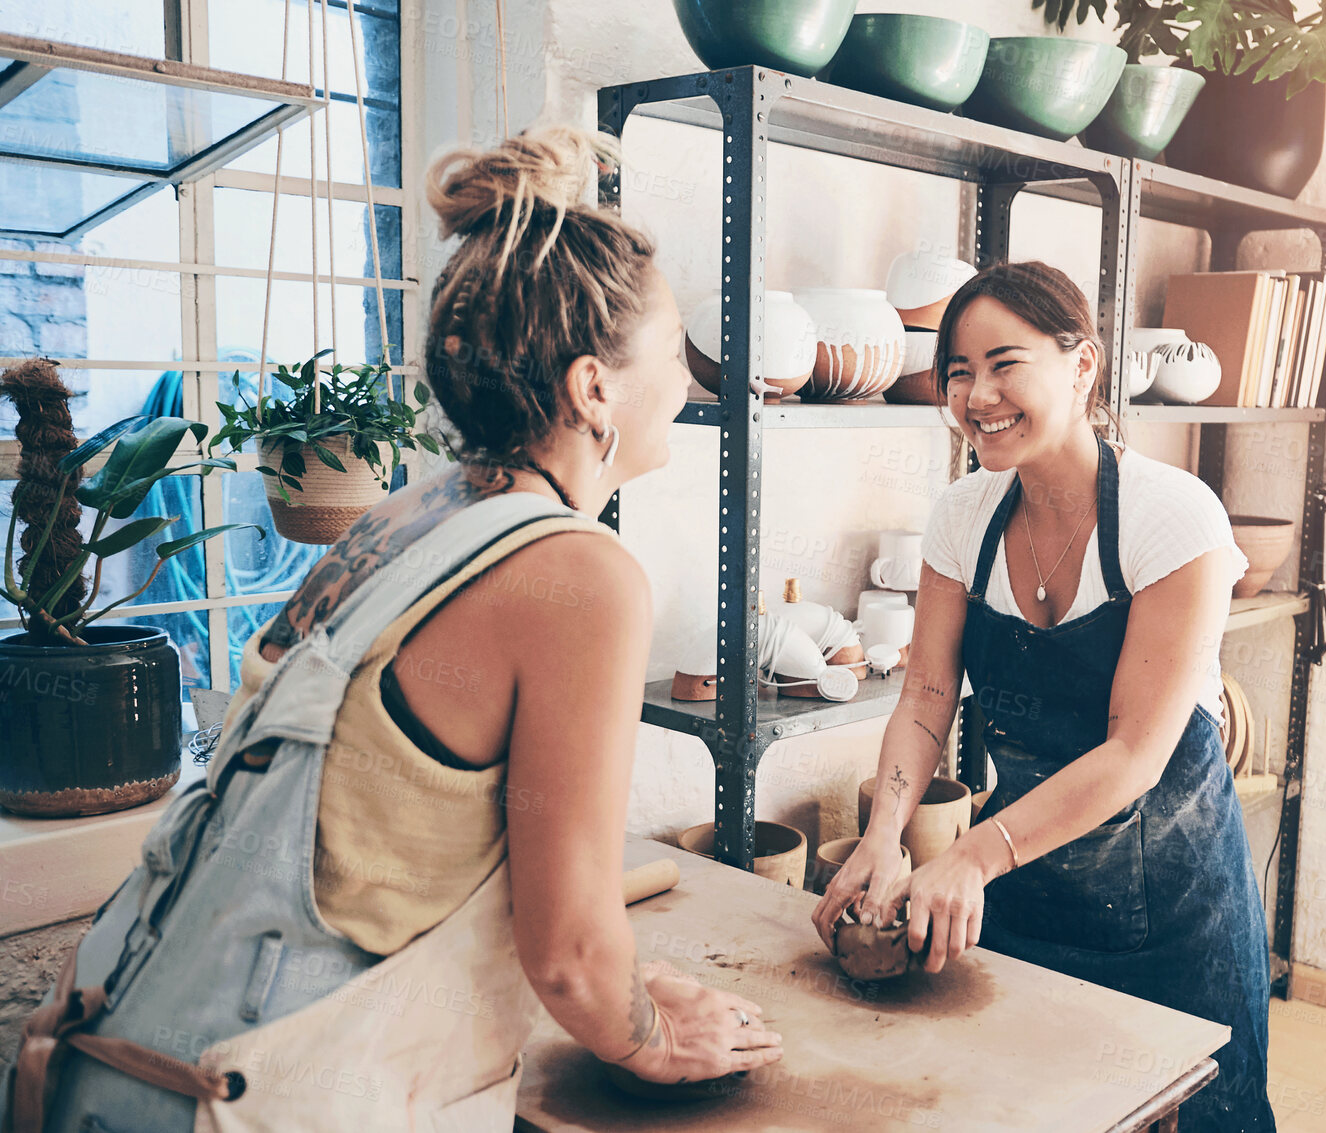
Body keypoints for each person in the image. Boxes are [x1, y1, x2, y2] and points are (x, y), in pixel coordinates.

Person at [2, 126, 780, 1133]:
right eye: (673, 351)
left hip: (99, 1056)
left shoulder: (413, 514)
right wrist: (646, 1031)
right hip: (231, 1099)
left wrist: (619, 977)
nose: (688, 377)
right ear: (595, 388)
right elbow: (570, 954)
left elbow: (395, 842)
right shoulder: (580, 576)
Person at [813, 261, 1278, 1132]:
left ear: (1083, 367)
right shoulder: (962, 517)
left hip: (1176, 914)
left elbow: (1135, 752)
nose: (976, 393)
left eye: (1003, 363)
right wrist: (884, 836)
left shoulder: (1172, 518)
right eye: (957, 370)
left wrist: (974, 853)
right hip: (1027, 885)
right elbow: (925, 692)